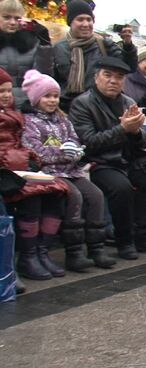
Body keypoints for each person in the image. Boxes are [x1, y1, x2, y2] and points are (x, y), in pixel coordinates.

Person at [69, 56, 146, 259]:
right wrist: (123, 129)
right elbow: (89, 142)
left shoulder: (128, 102)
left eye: (119, 77)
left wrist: (136, 131)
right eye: (108, 75)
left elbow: (145, 139)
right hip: (99, 163)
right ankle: (124, 241)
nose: (113, 81)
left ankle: (144, 235)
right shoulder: (82, 103)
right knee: (122, 188)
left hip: (129, 160)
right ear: (96, 78)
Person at [20, 69, 116, 271]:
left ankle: (96, 248)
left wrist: (77, 151)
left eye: (55, 96)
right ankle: (74, 252)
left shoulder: (63, 119)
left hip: (72, 170)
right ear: (36, 98)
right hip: (48, 174)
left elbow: (74, 139)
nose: (53, 100)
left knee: (96, 195)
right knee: (75, 197)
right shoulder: (29, 122)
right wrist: (63, 152)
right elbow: (35, 152)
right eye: (47, 96)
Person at [0, 67, 68, 280]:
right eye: (1, 91)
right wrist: (23, 159)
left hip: (17, 167)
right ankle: (28, 257)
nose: (6, 95)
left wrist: (30, 157)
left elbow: (19, 145)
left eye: (9, 91)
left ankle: (42, 252)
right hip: (7, 171)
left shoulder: (13, 115)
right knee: (31, 198)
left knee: (54, 191)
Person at [53, 0, 137, 112]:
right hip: (67, 109)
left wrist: (128, 45)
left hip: (100, 109)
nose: (85, 24)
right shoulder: (59, 48)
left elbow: (129, 67)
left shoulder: (104, 44)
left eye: (89, 20)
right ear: (70, 22)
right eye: (80, 19)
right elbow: (51, 80)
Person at [0, 0, 52, 106]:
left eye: (17, 18)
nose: (13, 22)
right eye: (6, 17)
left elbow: (43, 75)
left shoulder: (31, 42)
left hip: (26, 102)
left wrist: (45, 45)